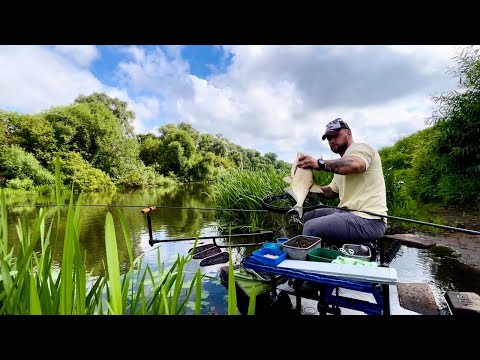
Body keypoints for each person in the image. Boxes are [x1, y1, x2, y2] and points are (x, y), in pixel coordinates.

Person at [296, 117, 388, 248]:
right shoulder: (340, 165)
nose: (332, 140)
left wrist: (319, 163)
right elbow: (332, 192)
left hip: (369, 219)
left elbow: (356, 164)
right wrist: (309, 188)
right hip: (346, 213)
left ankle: (304, 264)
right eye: (328, 138)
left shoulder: (362, 148)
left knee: (311, 228)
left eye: (335, 135)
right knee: (308, 217)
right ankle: (328, 249)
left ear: (348, 133)